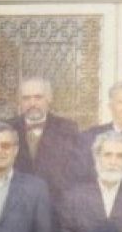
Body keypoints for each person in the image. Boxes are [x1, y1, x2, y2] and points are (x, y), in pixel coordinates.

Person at [12, 76, 80, 205]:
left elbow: (73, 173)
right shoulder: (8, 128)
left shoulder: (67, 129)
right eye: (26, 98)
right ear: (19, 102)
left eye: (38, 97)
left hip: (54, 206)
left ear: (49, 99)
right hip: (16, 206)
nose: (32, 103)